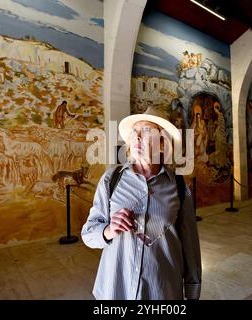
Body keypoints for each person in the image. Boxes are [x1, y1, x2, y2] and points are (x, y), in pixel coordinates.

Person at [81, 107, 201, 300]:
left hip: (161, 290)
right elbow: (88, 233)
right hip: (116, 288)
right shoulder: (111, 179)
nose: (136, 137)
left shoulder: (178, 186)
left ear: (162, 143)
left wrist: (193, 289)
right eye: (134, 132)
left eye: (146, 131)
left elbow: (190, 244)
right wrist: (109, 230)